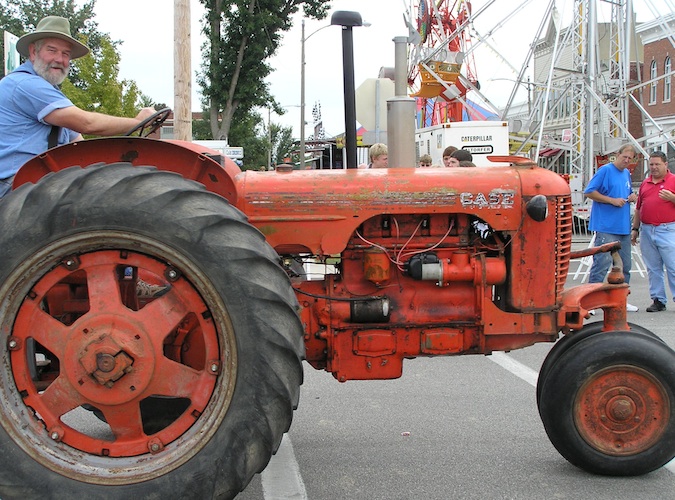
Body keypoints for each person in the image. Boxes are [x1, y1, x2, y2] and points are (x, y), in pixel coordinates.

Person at [0, 16, 156, 199]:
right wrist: (139, 122)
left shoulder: (53, 98)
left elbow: (79, 146)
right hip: (13, 186)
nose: (59, 59)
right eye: (52, 50)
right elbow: (87, 123)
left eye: (66, 54)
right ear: (33, 52)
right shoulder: (25, 84)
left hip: (38, 182)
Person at [584, 143, 639, 311]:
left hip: (622, 226)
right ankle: (591, 301)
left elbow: (625, 192)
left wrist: (632, 197)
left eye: (630, 159)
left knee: (625, 266)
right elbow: (589, 191)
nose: (626, 161)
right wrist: (611, 200)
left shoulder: (626, 174)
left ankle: (621, 300)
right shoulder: (605, 171)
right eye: (624, 157)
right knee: (601, 263)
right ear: (617, 154)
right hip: (606, 226)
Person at [631, 151, 675, 312]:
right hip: (647, 230)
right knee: (653, 268)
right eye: (652, 164)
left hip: (668, 229)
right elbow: (638, 208)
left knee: (673, 266)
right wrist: (635, 229)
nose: (654, 167)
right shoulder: (645, 183)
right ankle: (658, 299)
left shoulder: (673, 181)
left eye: (657, 164)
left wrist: (672, 198)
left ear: (665, 165)